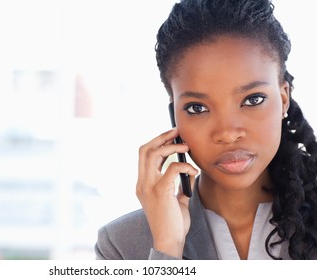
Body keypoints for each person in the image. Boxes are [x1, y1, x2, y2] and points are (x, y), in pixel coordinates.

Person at [95, 0, 317, 260]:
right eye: (197, 108)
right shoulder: (121, 244)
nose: (228, 133)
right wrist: (167, 247)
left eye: (253, 99)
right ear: (174, 114)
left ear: (283, 99)